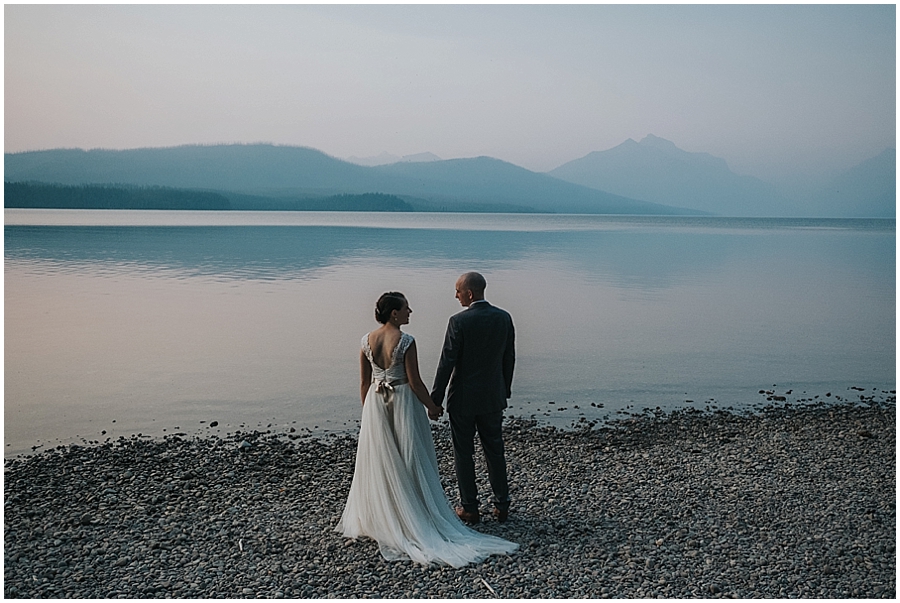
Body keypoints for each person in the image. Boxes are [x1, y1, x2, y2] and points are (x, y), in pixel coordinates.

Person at [336, 292, 517, 567]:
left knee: (382, 459)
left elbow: (364, 383)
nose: (411, 311)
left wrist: (369, 412)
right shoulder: (406, 341)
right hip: (403, 401)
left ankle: (385, 514)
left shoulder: (365, 341)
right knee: (411, 456)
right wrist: (433, 406)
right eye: (406, 308)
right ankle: (416, 511)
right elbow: (415, 381)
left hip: (376, 402)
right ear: (394, 313)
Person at [431, 272, 515, 525]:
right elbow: (508, 358)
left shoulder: (458, 322)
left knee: (463, 453)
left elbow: (447, 361)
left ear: (469, 293)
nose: (455, 295)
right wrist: (505, 389)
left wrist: (436, 398)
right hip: (492, 396)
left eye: (457, 291)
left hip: (463, 398)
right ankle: (502, 506)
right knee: (495, 450)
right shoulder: (504, 318)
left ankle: (470, 507)